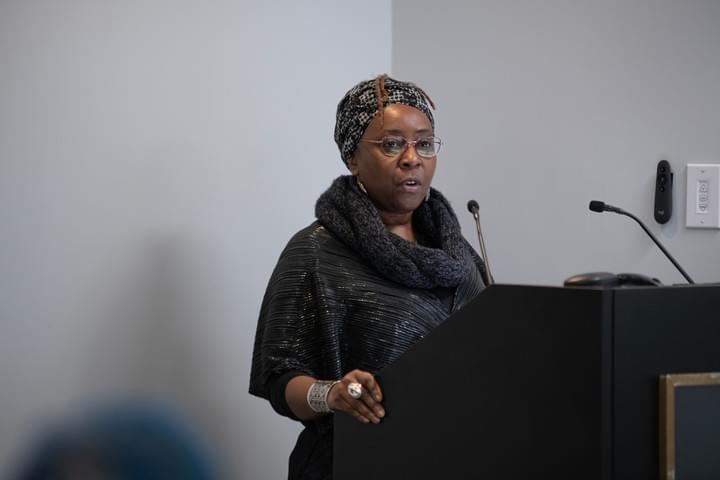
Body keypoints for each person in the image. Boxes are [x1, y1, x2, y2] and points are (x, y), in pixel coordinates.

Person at [249, 74, 487, 480]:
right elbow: (279, 380)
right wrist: (333, 393)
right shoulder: (316, 252)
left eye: (424, 144)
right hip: (355, 462)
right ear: (353, 158)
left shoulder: (457, 252)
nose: (412, 158)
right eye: (392, 144)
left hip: (458, 456)